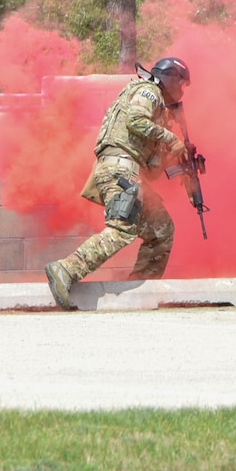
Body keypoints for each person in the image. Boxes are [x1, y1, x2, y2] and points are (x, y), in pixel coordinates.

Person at [44, 57, 192, 308]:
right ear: (171, 78)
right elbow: (136, 120)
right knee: (122, 229)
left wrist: (177, 165)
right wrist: (170, 138)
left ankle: (139, 290)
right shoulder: (149, 91)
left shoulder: (157, 107)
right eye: (182, 83)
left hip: (129, 172)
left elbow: (152, 169)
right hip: (120, 170)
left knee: (162, 229)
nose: (182, 90)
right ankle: (66, 270)